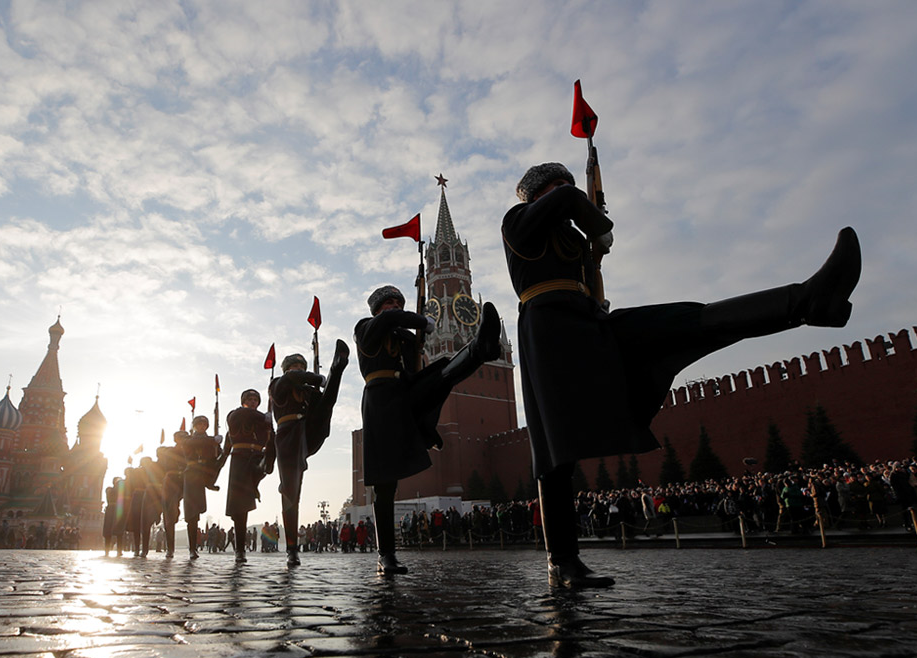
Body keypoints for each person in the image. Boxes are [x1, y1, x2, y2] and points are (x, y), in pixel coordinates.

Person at [502, 162, 861, 588]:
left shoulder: (574, 238)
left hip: (593, 325)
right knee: (555, 456)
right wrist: (596, 220)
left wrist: (592, 246)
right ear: (536, 193)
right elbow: (567, 200)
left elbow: (588, 274)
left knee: (688, 320)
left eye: (569, 182)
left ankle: (809, 301)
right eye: (557, 184)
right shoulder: (517, 221)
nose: (566, 190)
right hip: (549, 334)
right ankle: (562, 562)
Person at [355, 285, 501, 574]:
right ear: (377, 309)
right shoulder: (365, 328)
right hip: (380, 399)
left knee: (441, 374)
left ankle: (479, 349)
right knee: (385, 486)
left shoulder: (406, 338)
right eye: (389, 302)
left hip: (405, 394)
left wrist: (417, 345)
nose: (395, 306)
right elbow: (389, 320)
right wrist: (422, 322)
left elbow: (415, 372)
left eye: (398, 302)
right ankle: (386, 555)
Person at [269, 341, 349, 567]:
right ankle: (292, 549)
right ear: (287, 369)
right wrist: (316, 379)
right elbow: (292, 378)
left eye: (301, 366)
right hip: (287, 438)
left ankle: (337, 369)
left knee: (326, 403)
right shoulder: (278, 383)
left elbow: (325, 405)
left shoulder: (307, 391)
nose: (298, 369)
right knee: (291, 493)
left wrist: (325, 383)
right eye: (295, 366)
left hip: (307, 433)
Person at [217, 388, 273, 563]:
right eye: (249, 399)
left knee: (263, 470)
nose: (252, 402)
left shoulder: (263, 422)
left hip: (257, 459)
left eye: (255, 400)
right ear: (243, 401)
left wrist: (270, 421)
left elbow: (272, 440)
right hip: (240, 461)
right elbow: (225, 452)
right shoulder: (236, 416)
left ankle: (255, 484)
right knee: (240, 511)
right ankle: (240, 550)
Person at [180, 416, 222, 559]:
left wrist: (218, 446)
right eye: (199, 424)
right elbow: (194, 442)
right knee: (191, 515)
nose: (201, 427)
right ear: (194, 426)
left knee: (197, 511)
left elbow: (218, 456)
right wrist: (213, 440)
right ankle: (192, 548)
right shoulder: (189, 439)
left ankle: (210, 483)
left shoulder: (210, 440)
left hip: (203, 475)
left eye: (204, 425)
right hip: (191, 475)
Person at [157, 431, 188, 558]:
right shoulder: (169, 451)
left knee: (190, 512)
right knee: (169, 515)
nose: (183, 440)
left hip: (186, 480)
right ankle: (170, 548)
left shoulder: (189, 451)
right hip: (171, 481)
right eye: (181, 438)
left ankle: (191, 548)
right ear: (176, 439)